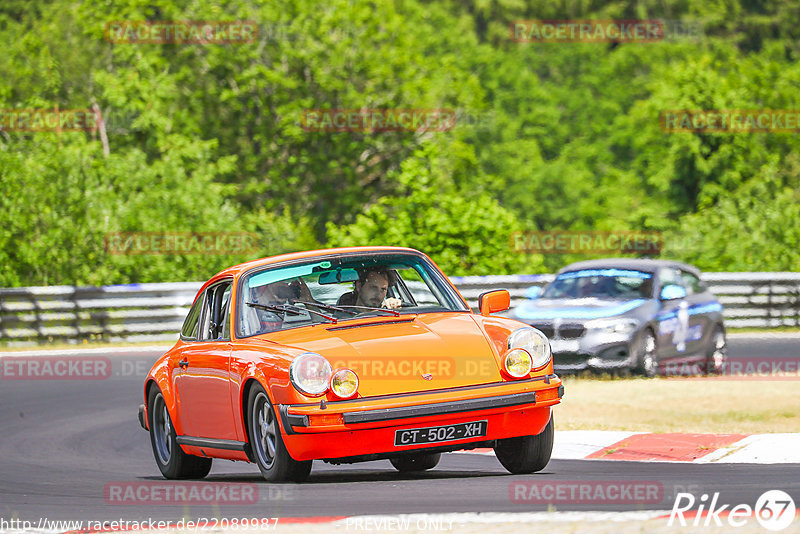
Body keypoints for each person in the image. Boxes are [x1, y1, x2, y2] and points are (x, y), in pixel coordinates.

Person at [337, 268, 402, 310]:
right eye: (373, 288)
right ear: (359, 286)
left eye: (383, 289)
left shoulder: (390, 314)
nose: (378, 295)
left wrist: (396, 306)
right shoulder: (339, 317)